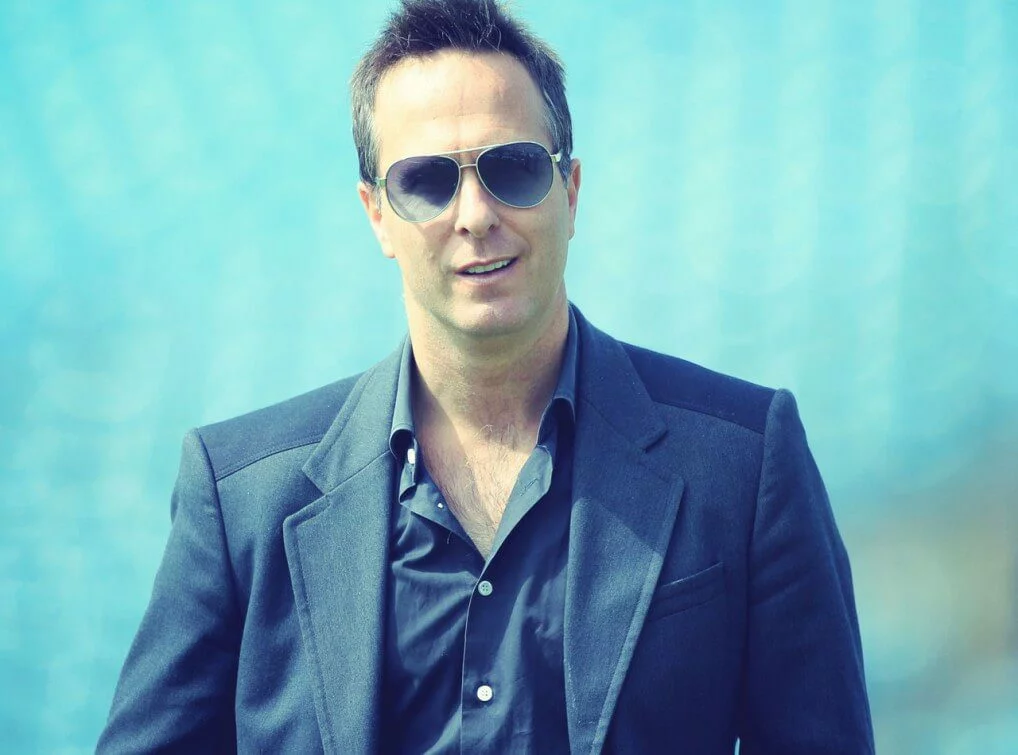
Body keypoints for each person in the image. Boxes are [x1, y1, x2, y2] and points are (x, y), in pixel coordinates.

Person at [97, 0, 874, 752]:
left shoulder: (743, 462)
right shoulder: (240, 498)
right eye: (426, 181)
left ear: (571, 192)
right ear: (377, 214)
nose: (475, 214)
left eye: (513, 168)